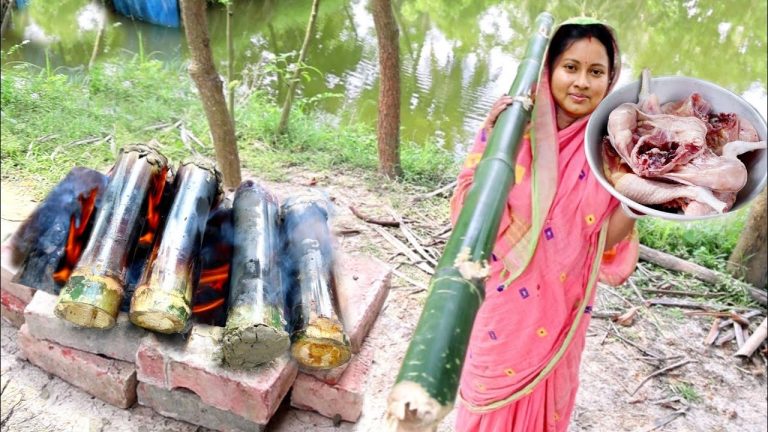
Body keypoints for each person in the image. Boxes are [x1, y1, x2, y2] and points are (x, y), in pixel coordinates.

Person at [451, 17, 639, 431]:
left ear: (611, 80)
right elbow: (471, 214)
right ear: (549, 69)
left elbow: (603, 241)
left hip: (561, 309)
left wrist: (640, 200)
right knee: (486, 398)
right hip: (500, 300)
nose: (582, 83)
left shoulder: (610, 149)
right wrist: (494, 132)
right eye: (570, 67)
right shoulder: (512, 127)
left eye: (596, 72)